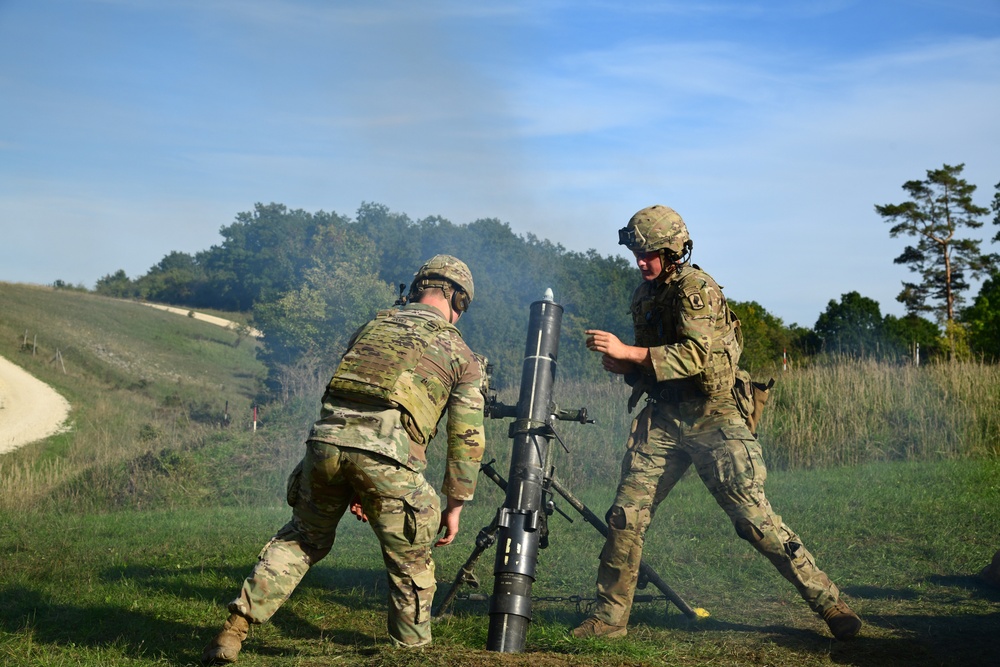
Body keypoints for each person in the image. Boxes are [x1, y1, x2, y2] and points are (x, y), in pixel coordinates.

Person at [572, 205, 862, 641]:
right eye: (637, 253)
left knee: (754, 521)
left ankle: (829, 602)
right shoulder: (643, 296)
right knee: (624, 518)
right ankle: (608, 621)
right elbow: (657, 365)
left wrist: (630, 352)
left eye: (649, 253)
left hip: (715, 413)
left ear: (673, 251)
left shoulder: (696, 288)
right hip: (667, 416)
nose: (640, 261)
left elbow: (696, 356)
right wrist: (626, 367)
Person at [202, 254, 487, 665]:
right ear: (458, 300)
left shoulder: (372, 326)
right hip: (388, 459)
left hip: (325, 446)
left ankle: (233, 631)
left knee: (301, 538)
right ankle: (410, 653)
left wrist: (352, 478)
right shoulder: (461, 353)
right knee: (410, 560)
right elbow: (466, 440)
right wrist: (455, 506)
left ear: (418, 287)